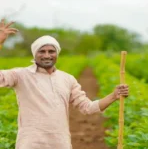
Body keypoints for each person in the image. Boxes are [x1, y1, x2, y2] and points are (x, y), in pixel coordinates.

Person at [0, 19, 129, 149]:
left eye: (51, 51)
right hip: (30, 143)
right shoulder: (21, 75)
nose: (47, 55)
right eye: (42, 51)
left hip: (60, 143)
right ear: (35, 54)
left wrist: (114, 96)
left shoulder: (67, 79)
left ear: (57, 54)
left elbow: (87, 107)